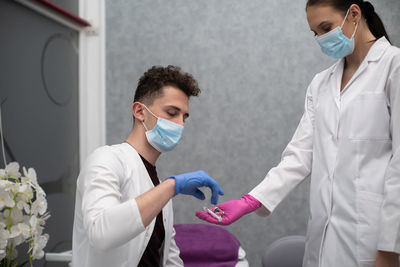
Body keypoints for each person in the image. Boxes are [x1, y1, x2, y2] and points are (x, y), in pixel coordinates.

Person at [196, 1, 400, 266]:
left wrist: (388, 250)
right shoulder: (321, 83)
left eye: (326, 27)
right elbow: (299, 156)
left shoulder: (393, 66)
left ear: (354, 13)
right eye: (316, 33)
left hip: (372, 242)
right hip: (322, 242)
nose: (322, 39)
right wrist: (251, 200)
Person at [72, 65, 224, 267]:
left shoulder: (158, 187)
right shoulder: (106, 159)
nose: (180, 124)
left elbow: (169, 259)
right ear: (139, 111)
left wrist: (167, 188)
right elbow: (101, 233)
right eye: (172, 113)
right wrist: (171, 186)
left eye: (184, 117)